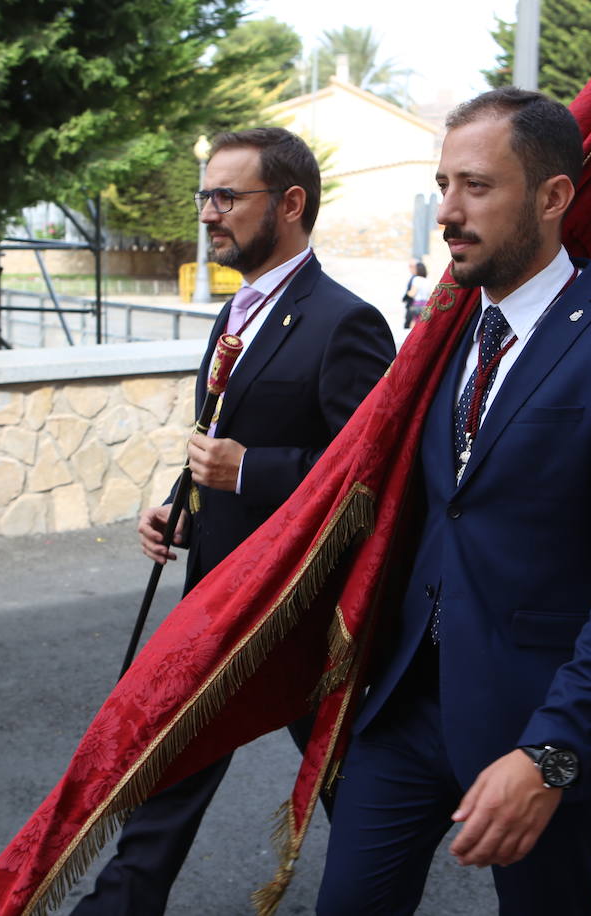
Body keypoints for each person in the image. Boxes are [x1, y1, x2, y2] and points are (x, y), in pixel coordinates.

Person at [315, 88, 591, 914]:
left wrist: (551, 756)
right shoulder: (446, 334)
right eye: (443, 184)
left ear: (554, 196)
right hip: (406, 706)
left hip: (542, 727)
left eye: (477, 187)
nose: (447, 213)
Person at [70, 128, 395, 916]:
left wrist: (250, 470)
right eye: (204, 196)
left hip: (299, 612)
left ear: (289, 204)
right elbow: (218, 445)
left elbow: (374, 473)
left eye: (226, 197)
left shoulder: (344, 323)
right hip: (220, 593)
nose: (208, 213)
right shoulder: (235, 315)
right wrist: (182, 508)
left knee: (353, 790)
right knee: (172, 764)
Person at [404, 261, 432, 328]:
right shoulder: (427, 280)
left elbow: (412, 293)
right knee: (422, 324)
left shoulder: (416, 279)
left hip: (417, 305)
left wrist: (407, 292)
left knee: (414, 323)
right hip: (426, 304)